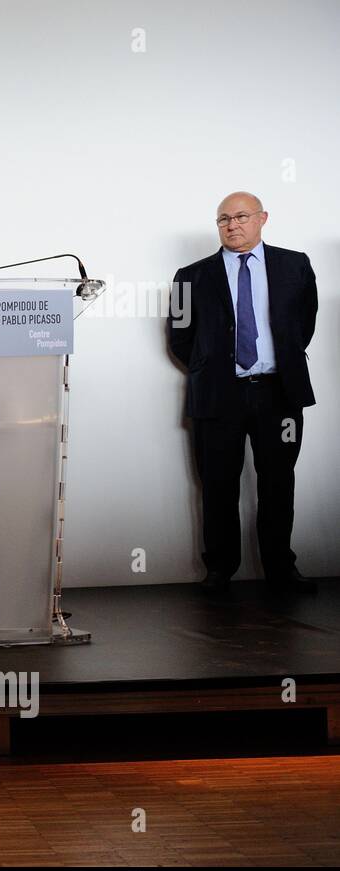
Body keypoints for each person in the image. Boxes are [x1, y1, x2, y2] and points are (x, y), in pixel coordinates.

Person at [167, 191, 318, 595]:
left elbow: (304, 324)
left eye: (241, 216)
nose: (232, 225)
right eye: (223, 219)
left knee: (278, 482)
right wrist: (211, 368)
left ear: (262, 219)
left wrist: (274, 362)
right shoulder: (189, 275)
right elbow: (180, 337)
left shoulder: (295, 265)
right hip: (218, 397)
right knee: (217, 485)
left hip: (278, 395)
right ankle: (219, 570)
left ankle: (281, 569)